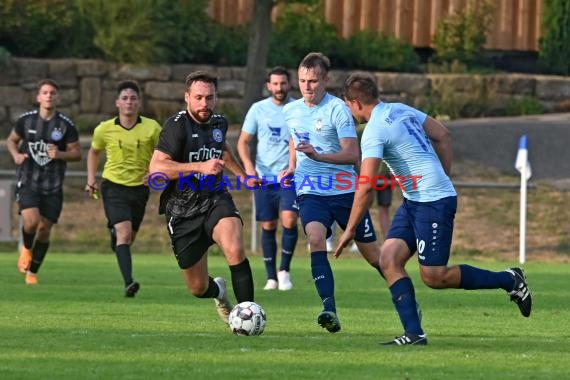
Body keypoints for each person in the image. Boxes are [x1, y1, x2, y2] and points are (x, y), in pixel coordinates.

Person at [335, 72, 532, 345]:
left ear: (355, 102)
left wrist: (350, 229)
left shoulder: (373, 131)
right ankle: (414, 334)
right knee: (389, 260)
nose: (348, 110)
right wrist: (443, 174)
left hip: (432, 202)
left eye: (346, 104)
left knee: (435, 277)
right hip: (415, 199)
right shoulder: (400, 110)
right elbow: (442, 134)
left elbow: (366, 186)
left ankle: (509, 280)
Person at [280, 52, 384, 333]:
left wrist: (318, 156)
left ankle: (406, 298)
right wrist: (292, 166)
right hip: (310, 190)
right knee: (315, 238)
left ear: (326, 80)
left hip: (345, 192)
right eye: (302, 81)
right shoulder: (290, 110)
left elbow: (352, 154)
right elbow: (295, 138)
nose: (307, 87)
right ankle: (329, 309)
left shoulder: (339, 110)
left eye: (313, 81)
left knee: (375, 257)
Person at [148, 71, 258, 324]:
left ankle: (247, 316)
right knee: (197, 288)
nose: (204, 104)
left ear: (216, 97)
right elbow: (156, 168)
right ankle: (218, 292)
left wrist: (242, 176)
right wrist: (199, 167)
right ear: (187, 97)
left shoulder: (219, 122)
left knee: (235, 249)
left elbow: (223, 150)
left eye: (209, 98)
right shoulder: (176, 126)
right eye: (198, 98)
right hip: (182, 209)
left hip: (215, 198)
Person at [85, 80, 161, 297]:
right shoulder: (104, 129)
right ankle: (129, 283)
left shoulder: (153, 128)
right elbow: (93, 152)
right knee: (125, 234)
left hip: (139, 189)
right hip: (113, 186)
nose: (129, 102)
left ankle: (114, 235)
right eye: (125, 98)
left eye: (133, 98)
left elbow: (163, 154)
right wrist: (91, 179)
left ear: (139, 103)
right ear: (117, 103)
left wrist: (155, 173)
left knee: (128, 238)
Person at [6, 79, 81, 284]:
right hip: (29, 181)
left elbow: (77, 154)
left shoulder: (65, 125)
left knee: (44, 229)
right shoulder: (26, 121)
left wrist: (60, 154)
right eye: (45, 92)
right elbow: (12, 140)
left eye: (52, 93)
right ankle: (26, 250)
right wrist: (16, 155)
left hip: (53, 185)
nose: (48, 96)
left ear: (58, 98)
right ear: (38, 97)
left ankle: (33, 272)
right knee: (31, 222)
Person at [237, 66, 298, 291]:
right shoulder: (258, 109)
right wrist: (249, 168)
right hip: (263, 177)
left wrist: (292, 166)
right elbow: (243, 141)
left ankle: (284, 271)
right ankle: (271, 277)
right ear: (268, 85)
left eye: (283, 83)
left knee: (290, 219)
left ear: (289, 84)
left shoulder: (297, 108)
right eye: (275, 83)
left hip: (288, 177)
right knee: (268, 224)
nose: (279, 88)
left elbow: (296, 140)